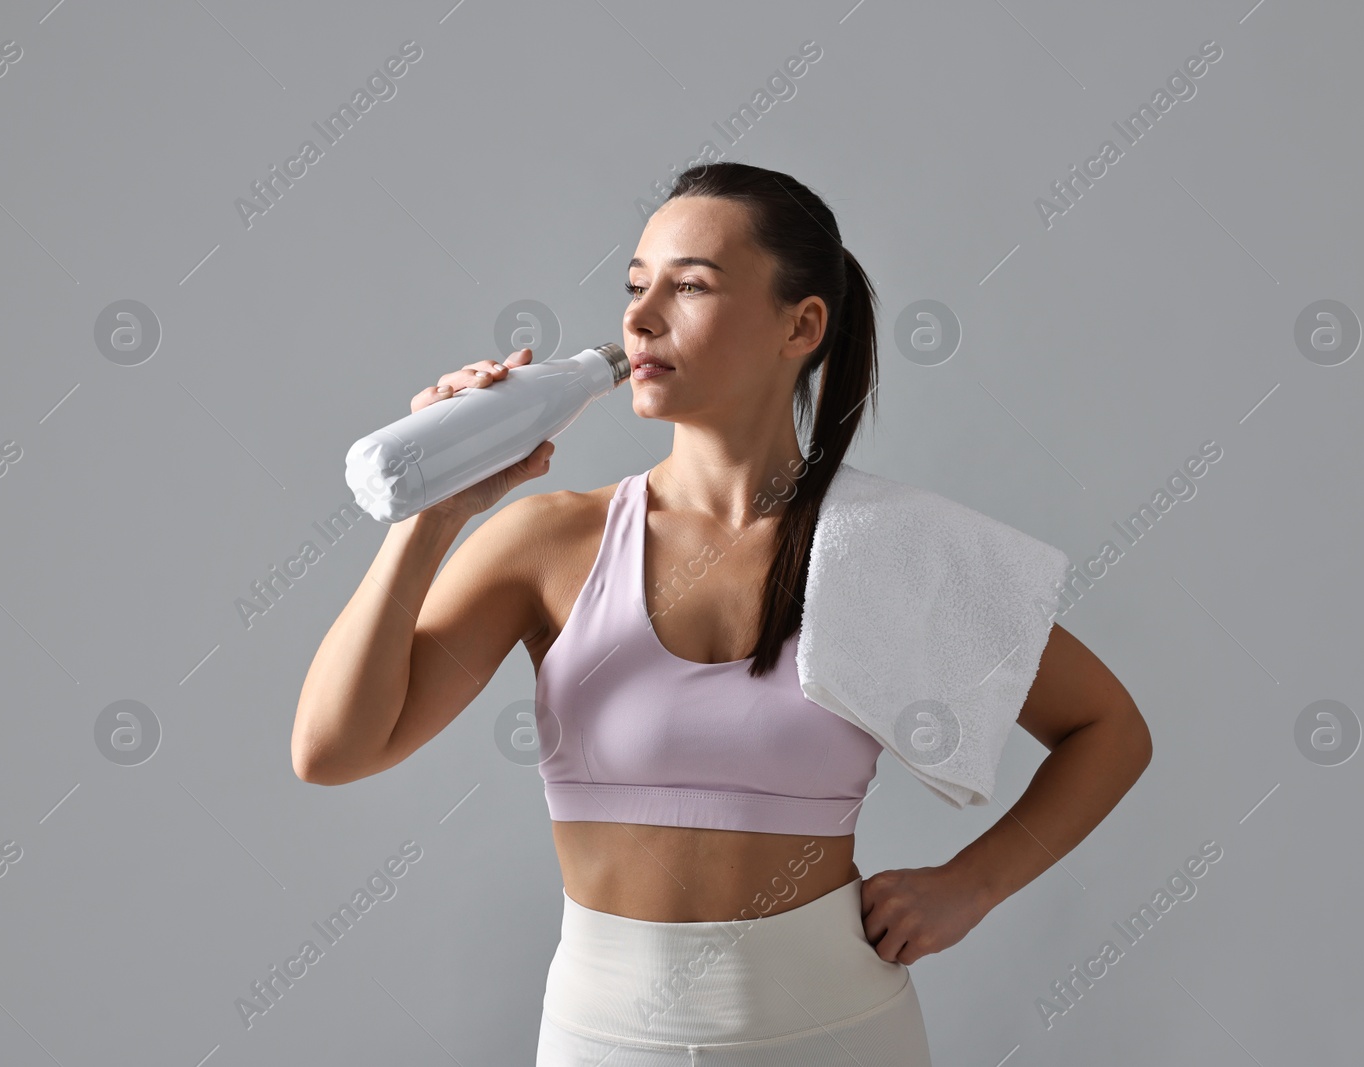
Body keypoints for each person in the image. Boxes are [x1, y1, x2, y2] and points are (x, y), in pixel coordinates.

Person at [292, 161, 1152, 1065]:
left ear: (802, 324)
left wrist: (971, 885)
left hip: (840, 1030)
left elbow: (1108, 727)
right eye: (635, 284)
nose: (640, 315)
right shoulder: (550, 543)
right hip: (602, 1039)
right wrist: (438, 510)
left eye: (690, 284)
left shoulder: (883, 547)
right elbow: (334, 749)